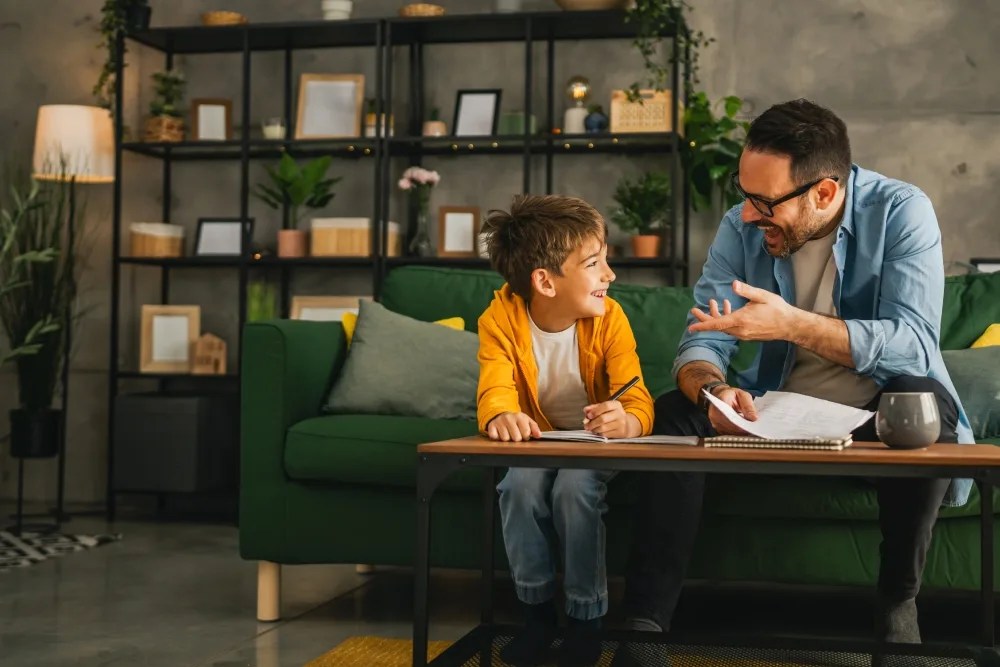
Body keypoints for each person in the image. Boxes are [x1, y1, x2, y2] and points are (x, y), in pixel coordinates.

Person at [621, 99, 975, 646]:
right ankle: (643, 627)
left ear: (824, 193)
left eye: (763, 202)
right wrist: (714, 389)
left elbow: (912, 346)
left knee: (920, 399)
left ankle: (898, 604)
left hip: (872, 420)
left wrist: (791, 324)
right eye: (744, 195)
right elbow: (702, 338)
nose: (746, 214)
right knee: (675, 409)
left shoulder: (901, 211)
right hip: (773, 417)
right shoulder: (740, 228)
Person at [477, 194, 655, 667]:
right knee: (518, 484)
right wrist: (501, 416)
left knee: (575, 487)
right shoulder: (498, 320)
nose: (609, 275)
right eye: (594, 263)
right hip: (539, 446)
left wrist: (629, 421)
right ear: (544, 281)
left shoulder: (612, 319)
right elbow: (493, 391)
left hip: (593, 449)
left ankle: (584, 620)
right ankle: (535, 617)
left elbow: (638, 399)